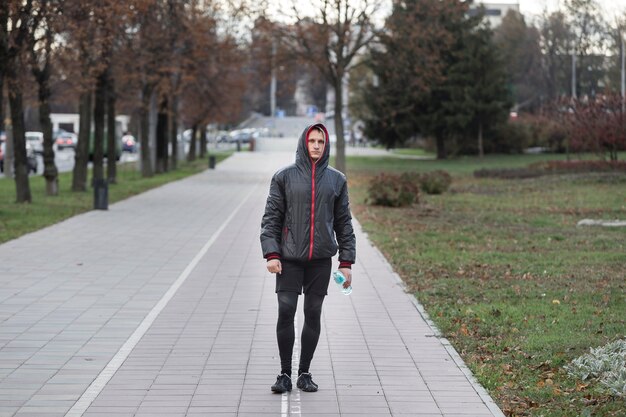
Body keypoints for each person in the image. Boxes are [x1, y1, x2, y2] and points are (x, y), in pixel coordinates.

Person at [260, 123, 356, 393]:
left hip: (320, 260)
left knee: (313, 313)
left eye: (321, 142)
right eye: (312, 141)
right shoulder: (284, 177)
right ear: (304, 143)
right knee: (286, 310)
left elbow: (344, 223)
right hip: (288, 258)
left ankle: (304, 372)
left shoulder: (337, 180)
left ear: (326, 146)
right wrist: (271, 253)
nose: (316, 145)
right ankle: (284, 374)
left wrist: (346, 262)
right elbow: (271, 219)